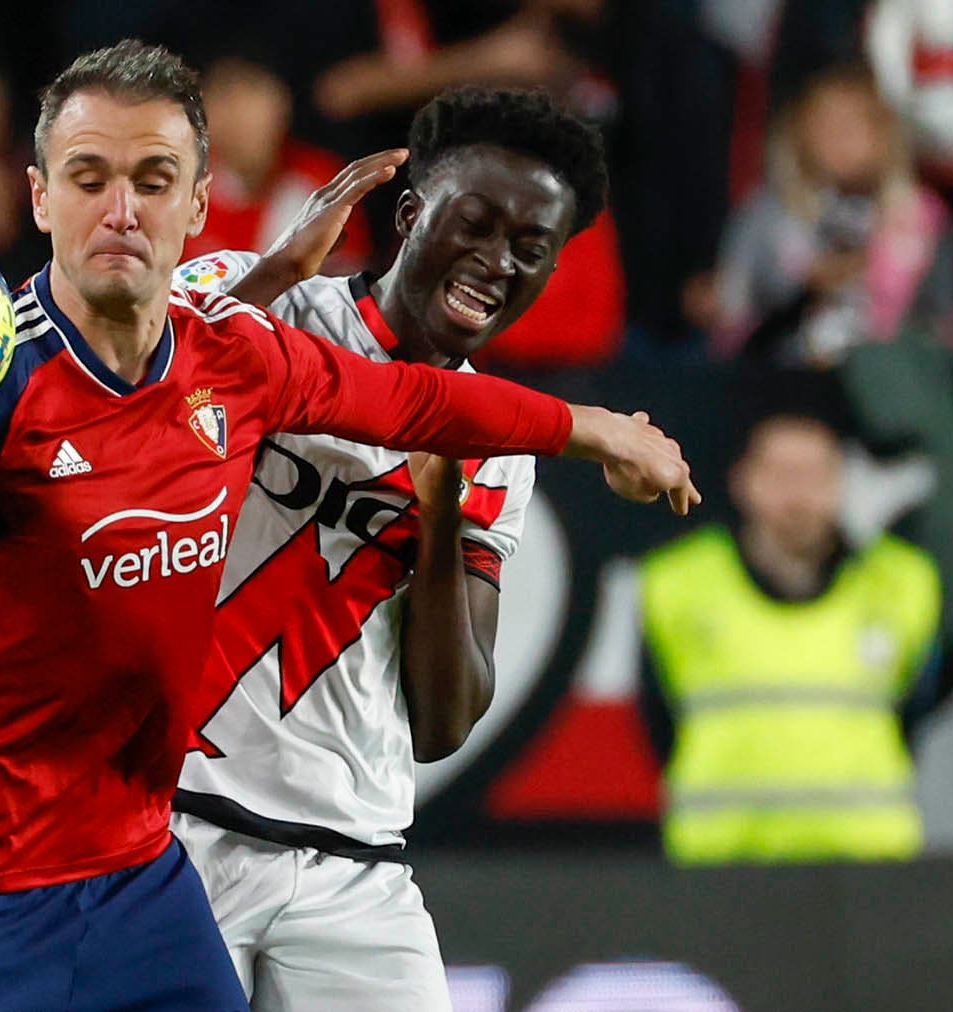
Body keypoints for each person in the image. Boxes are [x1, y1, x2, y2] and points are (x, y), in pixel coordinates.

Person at [0, 40, 698, 1008]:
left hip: (135, 872)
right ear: (38, 195)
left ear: (200, 201)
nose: (121, 210)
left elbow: (424, 406)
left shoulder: (238, 361)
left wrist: (596, 428)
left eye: (154, 181)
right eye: (88, 178)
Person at [168, 86, 617, 1010]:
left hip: (355, 867)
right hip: (177, 829)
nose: (497, 262)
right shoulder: (270, 310)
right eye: (478, 225)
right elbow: (134, 426)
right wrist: (277, 270)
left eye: (531, 251)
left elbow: (446, 720)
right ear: (410, 213)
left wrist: (442, 512)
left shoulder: (501, 448)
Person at [637, 409, 940, 865]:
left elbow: (917, 710)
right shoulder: (677, 583)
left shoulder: (903, 582)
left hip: (867, 864)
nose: (798, 492)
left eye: (815, 473)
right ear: (743, 480)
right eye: (780, 472)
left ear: (842, 481)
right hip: (723, 864)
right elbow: (658, 720)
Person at [710, 65, 953, 367]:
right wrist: (804, 278)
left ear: (885, 134)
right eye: (824, 125)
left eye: (852, 125)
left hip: (887, 370)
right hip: (783, 367)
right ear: (800, 132)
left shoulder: (918, 217)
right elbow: (735, 297)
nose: (837, 139)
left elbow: (943, 311)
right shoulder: (773, 209)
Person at [180, 56, 371, 274]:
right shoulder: (181, 182)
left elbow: (343, 290)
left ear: (282, 105)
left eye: (252, 93)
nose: (240, 116)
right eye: (225, 97)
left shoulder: (325, 183)